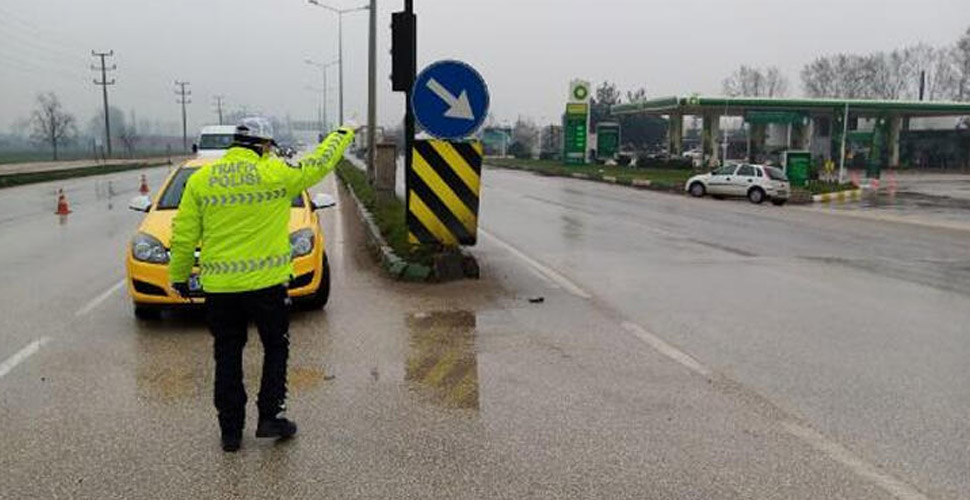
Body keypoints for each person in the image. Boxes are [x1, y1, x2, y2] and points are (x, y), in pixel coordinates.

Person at [169, 122, 354, 452]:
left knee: (227, 353)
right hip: (267, 286)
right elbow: (321, 162)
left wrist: (180, 276)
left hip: (221, 288)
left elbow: (183, 235)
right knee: (275, 348)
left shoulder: (201, 180)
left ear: (236, 144)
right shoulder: (276, 173)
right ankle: (271, 417)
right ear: (262, 146)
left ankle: (230, 432)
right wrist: (344, 133)